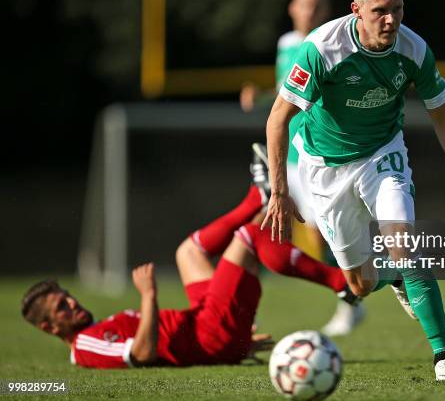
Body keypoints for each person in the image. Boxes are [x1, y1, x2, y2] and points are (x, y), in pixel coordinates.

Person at [263, 0, 445, 380]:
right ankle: (393, 277)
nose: (392, 20)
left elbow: (444, 118)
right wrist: (280, 191)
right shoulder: (322, 48)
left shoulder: (414, 51)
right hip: (324, 167)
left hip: (382, 155)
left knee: (404, 241)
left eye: (399, 9)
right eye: (380, 11)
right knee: (360, 285)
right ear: (357, 9)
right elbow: (278, 119)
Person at [20, 155, 363, 369]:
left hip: (205, 325)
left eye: (66, 296)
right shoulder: (84, 346)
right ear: (50, 328)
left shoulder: (91, 333)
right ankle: (342, 284)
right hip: (210, 331)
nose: (72, 302)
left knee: (187, 252)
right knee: (250, 235)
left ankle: (256, 197)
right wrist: (149, 296)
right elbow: (141, 355)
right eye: (62, 307)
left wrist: (237, 342)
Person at [241, 0, 365, 336]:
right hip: (284, 159)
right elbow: (289, 92)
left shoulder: (329, 42)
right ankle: (245, 314)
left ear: (326, 11)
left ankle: (350, 300)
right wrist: (262, 96)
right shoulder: (286, 44)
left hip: (313, 157)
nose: (308, 11)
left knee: (326, 236)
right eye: (303, 3)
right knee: (254, 227)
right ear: (292, 7)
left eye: (316, 5)